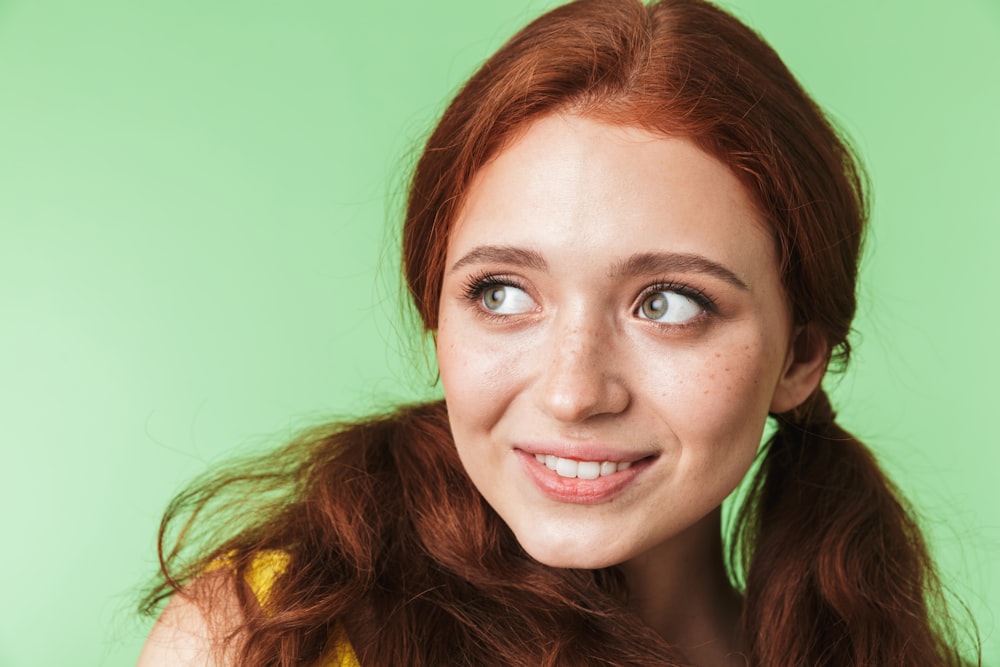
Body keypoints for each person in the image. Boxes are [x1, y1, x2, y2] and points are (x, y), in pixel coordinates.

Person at [137, 0, 976, 665]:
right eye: (501, 292)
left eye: (669, 303)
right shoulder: (269, 636)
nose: (574, 392)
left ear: (799, 356)